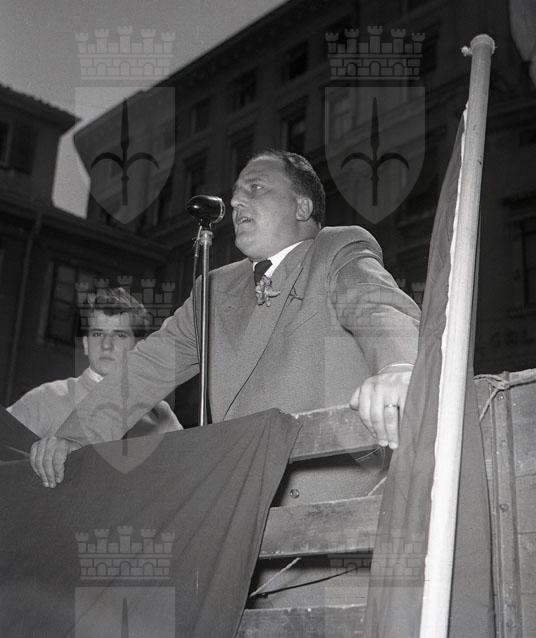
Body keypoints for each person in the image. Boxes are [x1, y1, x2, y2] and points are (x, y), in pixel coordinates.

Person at [29, 150, 420, 499]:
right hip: (239, 510)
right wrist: (74, 436)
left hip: (337, 508)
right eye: (235, 194)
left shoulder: (337, 250)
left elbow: (378, 310)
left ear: (302, 207)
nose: (235, 201)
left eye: (255, 188)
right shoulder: (213, 289)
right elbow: (146, 367)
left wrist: (400, 366)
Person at [11, 287, 181, 442]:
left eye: (119, 335)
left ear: (137, 347)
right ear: (86, 344)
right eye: (98, 334)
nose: (106, 345)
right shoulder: (47, 399)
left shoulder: (160, 416)